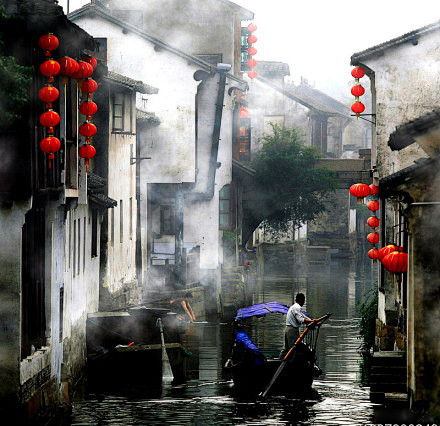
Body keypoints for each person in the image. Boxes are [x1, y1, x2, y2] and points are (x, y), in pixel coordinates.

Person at [279, 293, 315, 358]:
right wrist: (311, 321)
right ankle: (290, 363)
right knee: (293, 348)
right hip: (292, 330)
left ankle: (280, 359)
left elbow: (304, 317)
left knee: (286, 348)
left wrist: (312, 321)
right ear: (303, 300)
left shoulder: (294, 307)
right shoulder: (297, 307)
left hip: (288, 329)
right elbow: (301, 319)